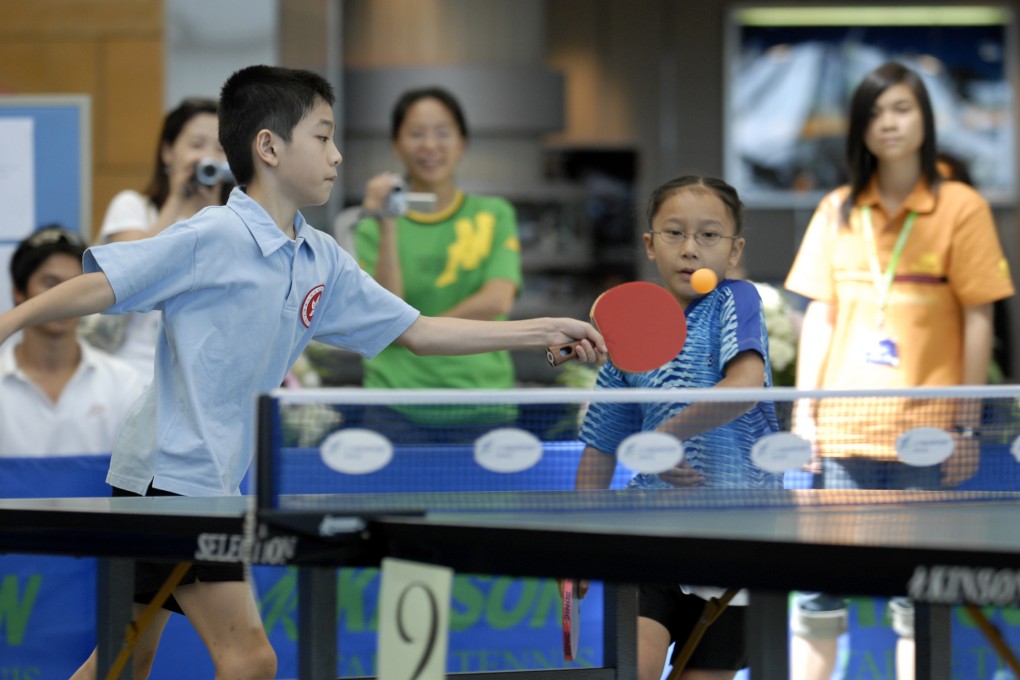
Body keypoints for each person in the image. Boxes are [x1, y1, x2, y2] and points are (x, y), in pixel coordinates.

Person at [0, 65, 606, 680]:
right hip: (170, 477)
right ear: (269, 146)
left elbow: (418, 332)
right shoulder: (211, 236)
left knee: (126, 659)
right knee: (251, 661)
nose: (337, 155)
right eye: (322, 137)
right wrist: (5, 322)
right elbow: (101, 287)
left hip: (203, 477)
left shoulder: (320, 258)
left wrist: (542, 329)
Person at [784, 61, 1015, 680]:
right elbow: (821, 317)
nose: (888, 124)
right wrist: (805, 415)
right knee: (817, 600)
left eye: (902, 110)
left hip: (927, 439)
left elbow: (978, 319)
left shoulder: (960, 207)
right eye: (875, 113)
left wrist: (965, 424)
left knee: (917, 603)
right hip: (838, 437)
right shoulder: (836, 209)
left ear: (925, 120)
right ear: (859, 127)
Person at [572, 175, 782, 680]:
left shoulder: (737, 301)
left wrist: (663, 439)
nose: (690, 249)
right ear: (650, 244)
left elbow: (747, 383)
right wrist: (576, 543)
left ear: (734, 251)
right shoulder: (630, 329)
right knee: (636, 670)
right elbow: (601, 447)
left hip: (738, 539)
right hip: (655, 533)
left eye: (709, 235)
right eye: (674, 233)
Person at [353, 86, 522, 441]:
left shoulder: (494, 215)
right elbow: (388, 311)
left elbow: (497, 300)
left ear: (462, 142)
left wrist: (420, 333)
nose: (430, 145)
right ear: (396, 145)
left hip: (483, 404)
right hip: (395, 407)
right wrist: (386, 223)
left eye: (443, 133)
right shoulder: (372, 228)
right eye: (416, 134)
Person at [81, 97, 230, 384]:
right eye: (197, 145)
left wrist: (215, 211)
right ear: (168, 152)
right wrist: (176, 201)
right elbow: (131, 269)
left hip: (198, 379)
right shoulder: (134, 207)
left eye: (220, 149)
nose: (208, 157)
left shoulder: (232, 222)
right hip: (129, 375)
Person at [0, 226, 144, 456]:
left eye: (77, 286)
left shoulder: (123, 383)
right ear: (19, 291)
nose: (65, 298)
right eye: (50, 283)